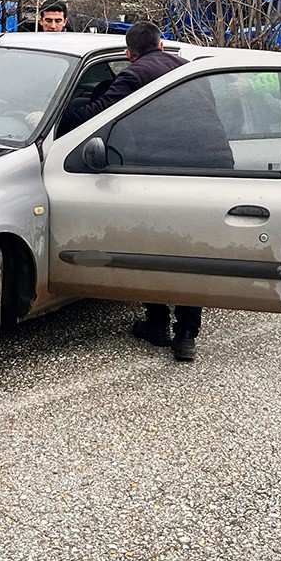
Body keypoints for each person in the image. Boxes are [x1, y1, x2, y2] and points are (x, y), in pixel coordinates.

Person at [60, 21, 225, 363]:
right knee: (188, 250)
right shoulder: (188, 69)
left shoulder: (134, 74)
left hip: (163, 170)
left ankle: (158, 323)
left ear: (128, 53)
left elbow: (97, 112)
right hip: (215, 167)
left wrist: (54, 121)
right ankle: (187, 334)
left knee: (151, 245)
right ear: (161, 45)